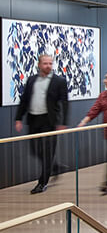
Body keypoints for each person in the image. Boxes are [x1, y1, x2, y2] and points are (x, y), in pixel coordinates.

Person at [14, 53, 69, 194]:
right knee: (35, 150)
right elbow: (25, 99)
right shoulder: (32, 80)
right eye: (45, 63)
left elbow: (65, 103)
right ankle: (55, 167)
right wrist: (19, 118)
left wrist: (63, 122)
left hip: (49, 121)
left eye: (50, 63)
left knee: (48, 152)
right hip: (33, 119)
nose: (48, 66)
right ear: (39, 65)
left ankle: (42, 183)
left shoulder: (59, 81)